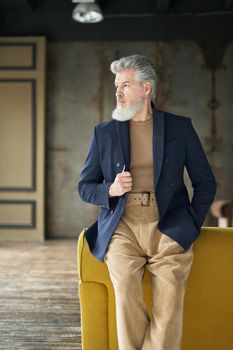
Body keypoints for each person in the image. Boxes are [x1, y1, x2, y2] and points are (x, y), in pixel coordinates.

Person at [78, 55, 217, 350]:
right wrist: (111, 190)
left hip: (169, 223)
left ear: (146, 88)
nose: (118, 91)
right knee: (126, 290)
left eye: (125, 84)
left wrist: (191, 223)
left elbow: (205, 182)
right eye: (116, 85)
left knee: (169, 305)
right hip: (122, 225)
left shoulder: (180, 128)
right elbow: (84, 187)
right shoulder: (103, 133)